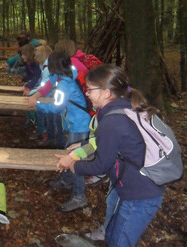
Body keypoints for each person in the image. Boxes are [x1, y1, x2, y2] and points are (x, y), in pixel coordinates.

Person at [57, 64, 164, 246]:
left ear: (106, 93)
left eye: (90, 89)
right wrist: (83, 145)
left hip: (140, 194)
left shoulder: (112, 121)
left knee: (119, 241)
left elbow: (101, 165)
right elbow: (112, 142)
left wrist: (73, 165)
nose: (87, 94)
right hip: (136, 186)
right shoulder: (122, 108)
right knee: (113, 234)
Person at [36, 51, 91, 212]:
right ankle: (66, 180)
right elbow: (53, 80)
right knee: (68, 154)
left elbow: (56, 107)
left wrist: (38, 104)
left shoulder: (64, 85)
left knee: (75, 161)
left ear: (53, 67)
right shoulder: (68, 74)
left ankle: (79, 197)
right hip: (77, 123)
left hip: (79, 126)